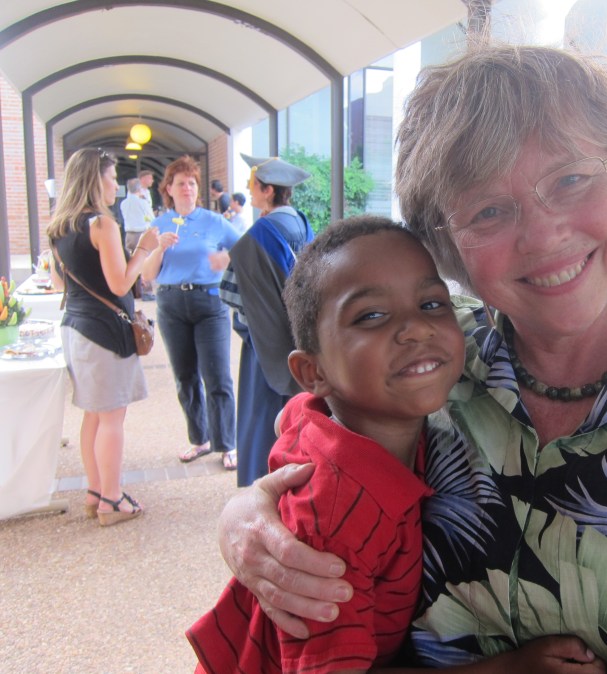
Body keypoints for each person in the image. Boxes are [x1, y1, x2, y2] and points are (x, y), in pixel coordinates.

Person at [217, 43, 607, 673]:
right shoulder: (433, 353)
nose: (543, 235)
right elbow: (314, 442)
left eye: (571, 179)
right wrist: (248, 518)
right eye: (489, 210)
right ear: (447, 244)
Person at [188, 216, 474, 673]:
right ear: (313, 372)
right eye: (371, 315)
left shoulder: (328, 422)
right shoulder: (336, 521)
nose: (417, 328)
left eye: (432, 303)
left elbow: (295, 414)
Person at [47, 148, 159, 526]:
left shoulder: (59, 228)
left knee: (93, 416)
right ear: (95, 180)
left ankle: (95, 491)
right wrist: (144, 250)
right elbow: (120, 284)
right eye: (111, 177)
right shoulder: (102, 225)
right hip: (105, 333)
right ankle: (112, 500)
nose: (116, 185)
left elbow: (58, 284)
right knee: (112, 418)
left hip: (76, 328)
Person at [219, 153, 314, 485]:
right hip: (304, 343)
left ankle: (264, 484)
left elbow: (233, 295)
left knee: (263, 419)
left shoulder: (259, 234)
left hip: (265, 346)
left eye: (252, 184)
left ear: (268, 190)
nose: (248, 190)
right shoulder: (302, 223)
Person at [142, 155, 241, 469]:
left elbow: (244, 249)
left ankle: (227, 444)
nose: (187, 188)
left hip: (209, 303)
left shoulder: (213, 221)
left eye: (192, 183)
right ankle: (200, 439)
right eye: (181, 183)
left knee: (217, 376)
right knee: (185, 377)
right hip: (171, 304)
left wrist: (223, 261)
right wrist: (160, 248)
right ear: (168, 189)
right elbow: (146, 274)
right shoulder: (158, 225)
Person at [120, 177, 157, 300]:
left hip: (129, 235)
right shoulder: (142, 203)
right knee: (145, 261)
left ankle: (134, 290)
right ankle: (147, 292)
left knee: (131, 263)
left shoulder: (123, 203)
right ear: (139, 189)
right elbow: (151, 218)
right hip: (141, 233)